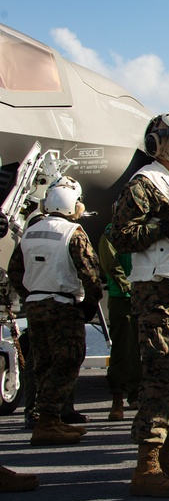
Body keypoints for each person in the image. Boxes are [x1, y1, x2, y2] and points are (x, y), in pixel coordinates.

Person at [110, 111, 169, 497]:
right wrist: (165, 225)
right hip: (157, 291)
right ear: (157, 142)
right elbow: (121, 235)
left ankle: (166, 454)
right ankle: (146, 464)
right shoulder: (145, 181)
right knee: (161, 378)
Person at [7, 176, 102, 446]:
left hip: (35, 305)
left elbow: (16, 271)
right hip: (63, 306)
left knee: (43, 363)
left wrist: (31, 294)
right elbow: (90, 273)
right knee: (68, 361)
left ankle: (49, 418)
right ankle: (47, 419)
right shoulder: (74, 233)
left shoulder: (31, 232)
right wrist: (90, 304)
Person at [98, 215, 139, 420]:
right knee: (122, 350)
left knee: (144, 349)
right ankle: (117, 400)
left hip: (144, 295)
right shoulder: (111, 230)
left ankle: (137, 395)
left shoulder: (145, 228)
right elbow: (110, 262)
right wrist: (128, 285)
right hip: (122, 298)